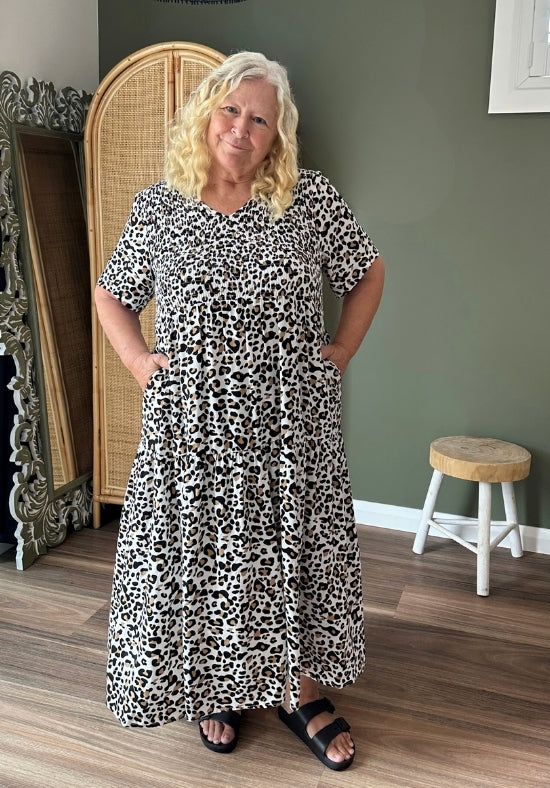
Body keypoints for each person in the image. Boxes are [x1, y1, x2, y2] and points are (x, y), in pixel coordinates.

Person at [95, 50, 384, 772]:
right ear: (205, 113)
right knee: (207, 554)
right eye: (231, 109)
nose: (242, 128)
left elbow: (368, 271)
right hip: (192, 424)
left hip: (289, 421)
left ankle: (300, 689)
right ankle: (216, 682)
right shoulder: (159, 206)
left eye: (261, 118)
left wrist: (340, 350)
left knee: (291, 548)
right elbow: (112, 293)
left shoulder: (305, 199)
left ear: (276, 134)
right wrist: (137, 362)